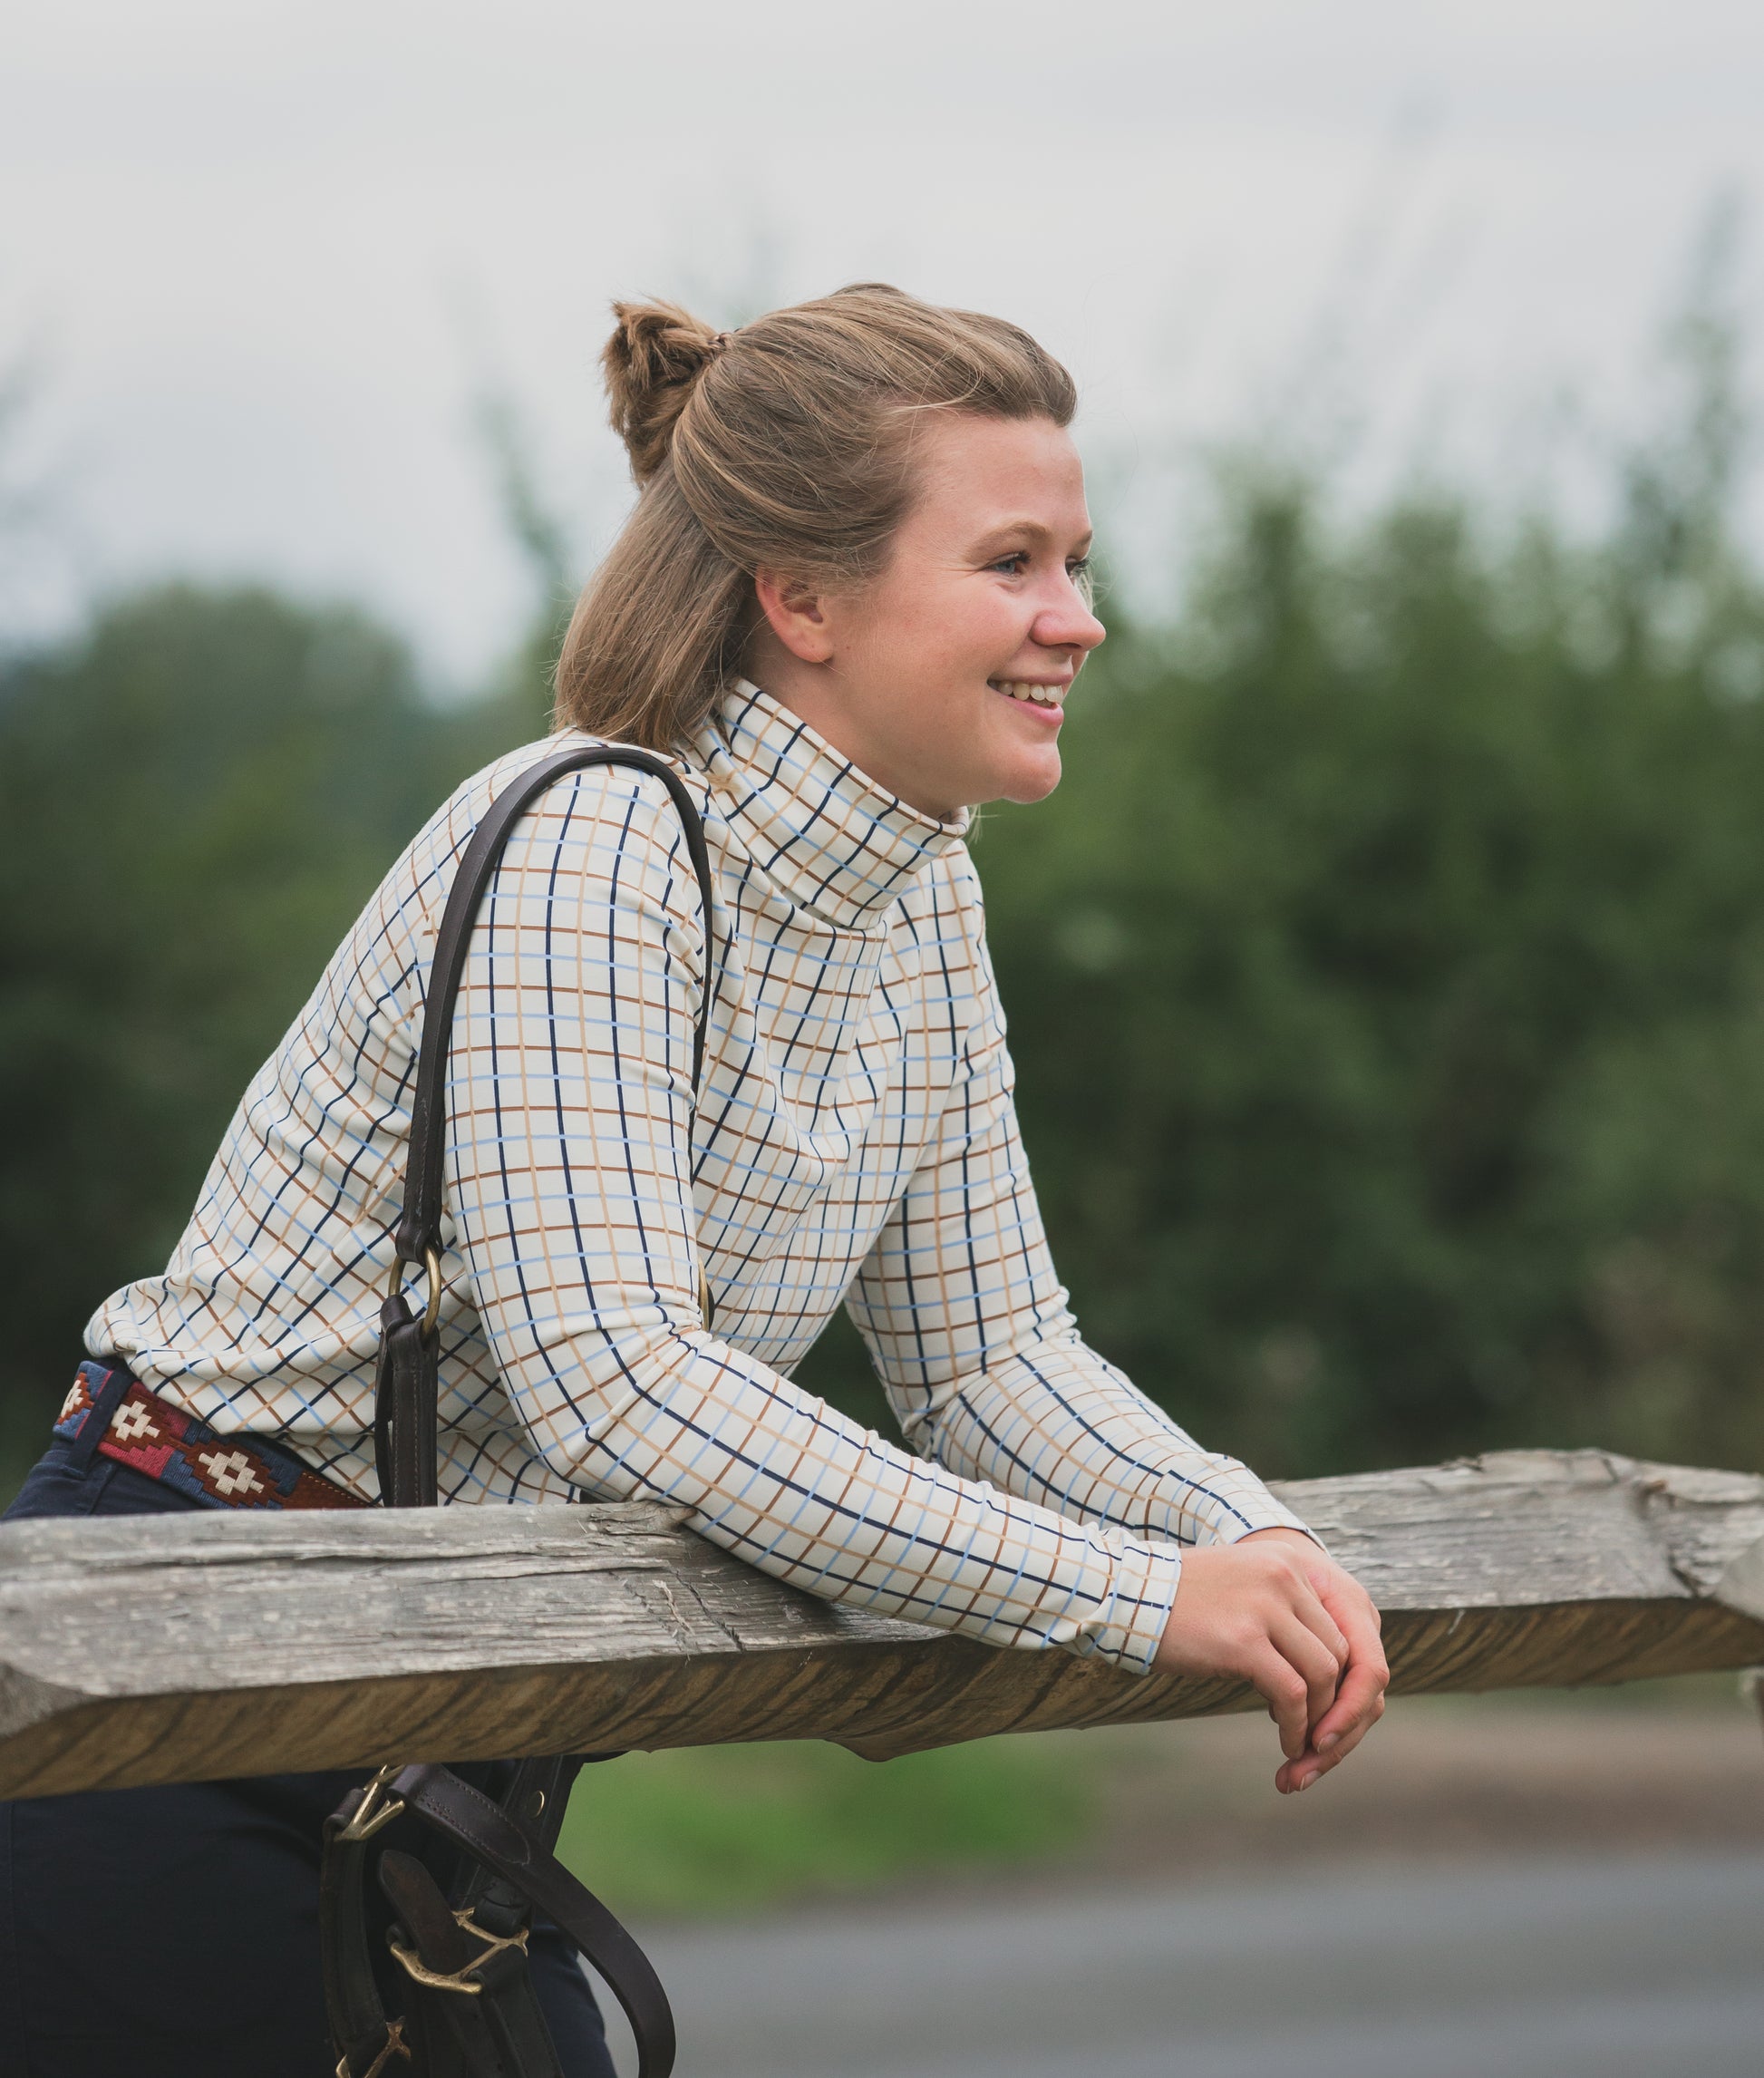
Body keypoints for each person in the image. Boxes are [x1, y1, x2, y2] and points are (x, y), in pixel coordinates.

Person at [0, 285, 1387, 2078]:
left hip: (446, 1703)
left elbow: (988, 1360)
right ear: (799, 599)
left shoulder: (921, 896)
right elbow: (626, 1387)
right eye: (1015, 564)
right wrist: (1131, 1601)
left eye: (1075, 559)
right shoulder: (598, 839)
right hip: (169, 1672)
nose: (1079, 620)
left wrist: (1233, 1527)